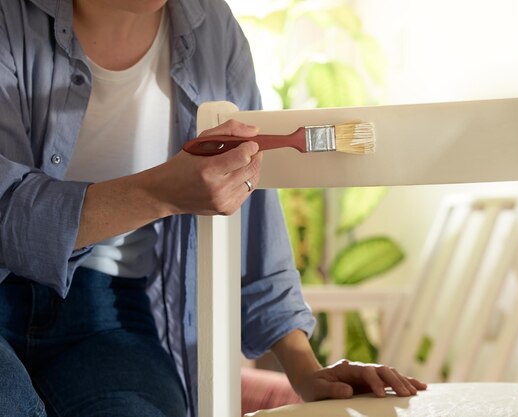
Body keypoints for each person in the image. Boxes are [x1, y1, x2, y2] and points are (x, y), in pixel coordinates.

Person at [0, 1, 426, 416]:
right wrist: (158, 192)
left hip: (110, 313)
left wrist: (307, 371)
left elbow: (255, 224)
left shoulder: (212, 30)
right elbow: (7, 216)